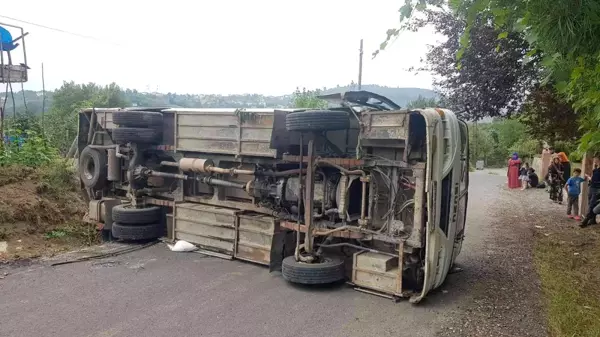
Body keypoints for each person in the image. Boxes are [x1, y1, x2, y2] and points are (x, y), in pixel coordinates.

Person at [581, 156, 600, 227]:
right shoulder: (595, 169)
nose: (594, 160)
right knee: (590, 203)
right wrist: (589, 178)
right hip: (592, 187)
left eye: (596, 158)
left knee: (592, 204)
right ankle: (593, 220)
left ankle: (585, 221)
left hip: (597, 188)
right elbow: (593, 179)